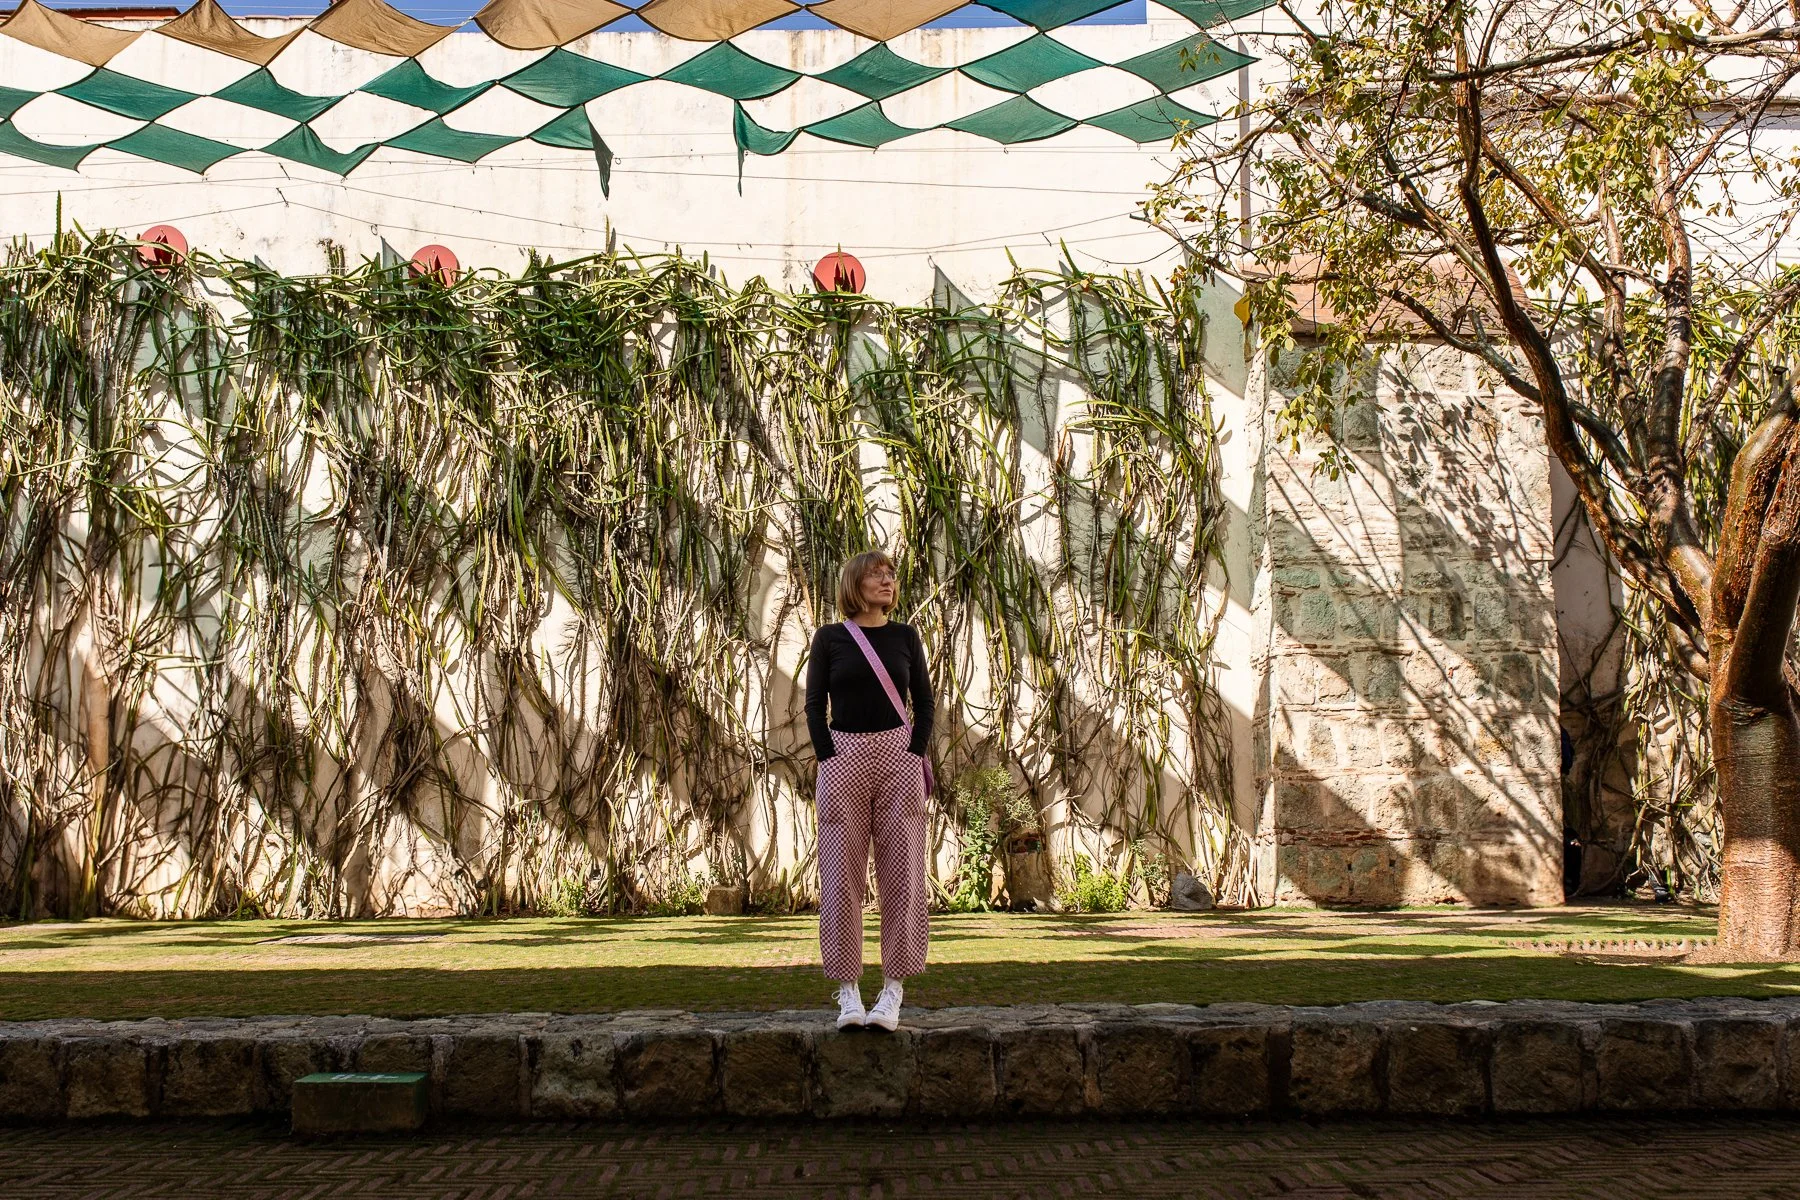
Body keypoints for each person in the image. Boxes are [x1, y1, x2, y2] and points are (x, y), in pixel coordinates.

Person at [805, 550, 935, 1032]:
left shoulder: (905, 637)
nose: (886, 580)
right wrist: (829, 755)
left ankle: (893, 993)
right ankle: (848, 994)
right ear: (854, 584)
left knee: (903, 875)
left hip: (898, 759)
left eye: (890, 574)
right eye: (875, 574)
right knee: (841, 878)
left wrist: (912, 749)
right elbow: (815, 703)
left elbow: (923, 699)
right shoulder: (830, 638)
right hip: (844, 761)